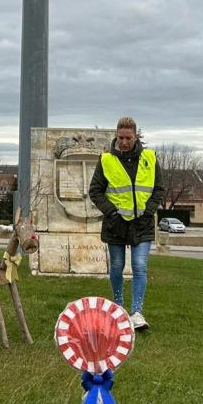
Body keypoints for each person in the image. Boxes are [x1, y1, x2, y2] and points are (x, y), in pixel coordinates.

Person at [88, 117, 165, 330]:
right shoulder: (106, 160)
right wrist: (111, 212)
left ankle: (137, 312)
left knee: (140, 266)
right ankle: (119, 308)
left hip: (143, 223)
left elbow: (159, 188)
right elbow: (95, 191)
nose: (124, 142)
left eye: (128, 138)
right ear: (116, 136)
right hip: (116, 224)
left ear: (136, 136)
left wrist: (149, 211)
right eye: (120, 137)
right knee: (117, 266)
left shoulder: (149, 157)